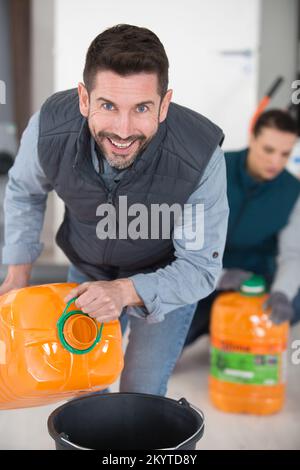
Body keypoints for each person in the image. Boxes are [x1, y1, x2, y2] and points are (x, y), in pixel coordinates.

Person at [0, 24, 229, 395]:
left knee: (141, 391)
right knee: (83, 385)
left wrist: (124, 291)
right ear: (84, 99)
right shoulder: (49, 128)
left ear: (164, 105)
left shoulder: (201, 156)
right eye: (108, 105)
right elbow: (25, 191)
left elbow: (200, 268)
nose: (123, 130)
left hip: (166, 274)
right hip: (88, 266)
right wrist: (17, 273)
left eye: (141, 108)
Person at [185, 109, 300, 347]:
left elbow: (293, 253)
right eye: (269, 150)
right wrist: (220, 276)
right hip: (205, 273)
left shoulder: (293, 191)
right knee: (173, 342)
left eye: (285, 154)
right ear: (252, 138)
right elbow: (184, 238)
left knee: (292, 298)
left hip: (257, 278)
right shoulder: (214, 168)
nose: (276, 162)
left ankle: (244, 332)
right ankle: (216, 324)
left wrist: (282, 293)